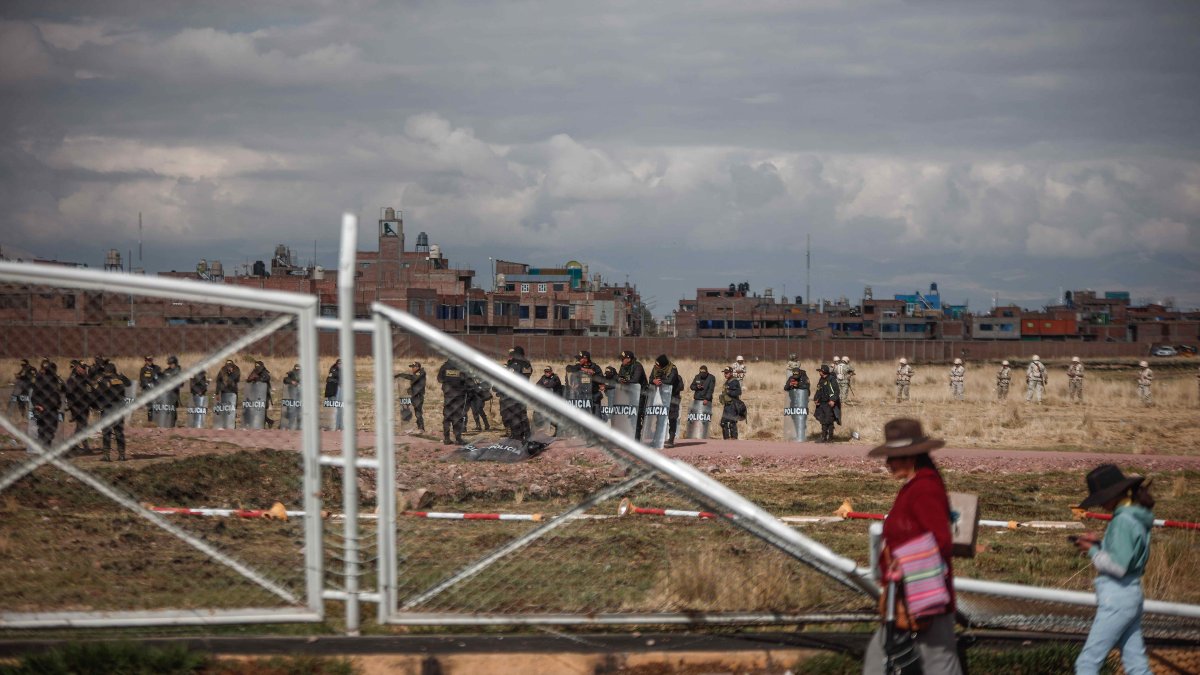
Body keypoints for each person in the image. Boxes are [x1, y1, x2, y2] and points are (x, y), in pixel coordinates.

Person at [863, 418, 961, 675]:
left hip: (923, 598)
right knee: (880, 658)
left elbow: (940, 541)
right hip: (906, 595)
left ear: (909, 457)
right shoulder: (917, 486)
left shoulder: (924, 489)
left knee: (938, 664)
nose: (887, 464)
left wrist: (901, 568)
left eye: (892, 457)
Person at [1072, 464, 1156, 675]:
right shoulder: (1136, 518)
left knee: (1087, 664)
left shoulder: (1122, 521)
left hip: (1117, 598)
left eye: (1101, 498)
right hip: (1132, 594)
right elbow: (1126, 557)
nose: (1100, 504)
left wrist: (1092, 550)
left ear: (1114, 495)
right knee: (1137, 666)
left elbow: (1118, 567)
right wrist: (1100, 545)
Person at [95, 362, 131, 461]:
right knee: (119, 432)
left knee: (106, 432)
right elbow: (129, 383)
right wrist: (121, 376)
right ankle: (122, 455)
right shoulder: (120, 379)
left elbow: (97, 393)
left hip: (107, 409)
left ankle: (106, 455)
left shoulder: (103, 380)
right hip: (119, 409)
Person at [649, 354, 684, 447]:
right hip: (660, 396)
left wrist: (659, 380)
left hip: (673, 396)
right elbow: (650, 379)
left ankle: (671, 440)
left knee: (672, 418)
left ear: (663, 365)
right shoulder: (655, 368)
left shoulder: (672, 369)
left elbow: (670, 381)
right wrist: (653, 381)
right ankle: (657, 438)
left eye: (658, 365)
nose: (656, 366)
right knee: (659, 416)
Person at [498, 346, 533, 439]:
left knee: (515, 414)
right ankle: (527, 434)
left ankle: (517, 436)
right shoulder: (527, 364)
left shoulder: (515, 364)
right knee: (522, 414)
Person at [31, 360, 63, 449]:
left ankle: (46, 448)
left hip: (53, 409)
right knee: (43, 430)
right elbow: (34, 395)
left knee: (51, 430)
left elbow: (61, 391)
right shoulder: (40, 379)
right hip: (43, 409)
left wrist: (58, 403)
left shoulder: (55, 380)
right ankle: (43, 449)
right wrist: (37, 405)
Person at [64, 360, 94, 454]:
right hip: (76, 406)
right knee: (82, 425)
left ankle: (74, 445)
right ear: (77, 368)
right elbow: (68, 392)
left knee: (82, 426)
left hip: (84, 405)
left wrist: (85, 375)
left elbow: (92, 384)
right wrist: (71, 406)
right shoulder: (72, 378)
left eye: (84, 368)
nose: (83, 369)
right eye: (82, 368)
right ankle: (84, 447)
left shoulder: (83, 377)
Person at [437, 358, 470, 445]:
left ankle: (447, 439)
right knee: (457, 417)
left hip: (448, 396)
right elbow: (466, 381)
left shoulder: (444, 367)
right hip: (459, 396)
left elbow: (439, 379)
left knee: (447, 417)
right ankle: (458, 439)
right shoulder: (461, 367)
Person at [617, 350, 649, 437]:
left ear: (628, 359)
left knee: (637, 416)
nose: (621, 361)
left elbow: (635, 380)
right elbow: (619, 377)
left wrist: (625, 382)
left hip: (640, 395)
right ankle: (631, 434)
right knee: (630, 416)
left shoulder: (637, 366)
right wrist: (620, 380)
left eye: (623, 359)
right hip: (629, 394)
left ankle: (637, 438)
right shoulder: (623, 366)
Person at [565, 350, 604, 418]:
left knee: (597, 418)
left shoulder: (595, 367)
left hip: (593, 396)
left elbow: (601, 379)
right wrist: (583, 369)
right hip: (581, 397)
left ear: (586, 359)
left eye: (580, 358)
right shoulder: (578, 367)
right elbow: (568, 368)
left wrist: (593, 375)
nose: (578, 360)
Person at [395, 362, 426, 434]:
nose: (412, 369)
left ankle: (421, 428)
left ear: (417, 367)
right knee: (412, 411)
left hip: (418, 396)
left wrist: (401, 375)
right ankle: (414, 428)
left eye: (413, 367)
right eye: (411, 367)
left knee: (418, 412)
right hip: (414, 396)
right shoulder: (417, 374)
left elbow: (413, 378)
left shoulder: (421, 373)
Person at [813, 364, 840, 442]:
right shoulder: (821, 379)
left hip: (829, 403)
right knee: (823, 420)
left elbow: (837, 391)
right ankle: (823, 437)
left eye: (820, 371)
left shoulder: (831, 379)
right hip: (822, 403)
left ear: (824, 371)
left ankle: (830, 438)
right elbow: (818, 390)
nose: (819, 372)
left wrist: (833, 400)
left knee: (829, 420)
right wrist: (816, 399)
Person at [246, 360, 275, 428]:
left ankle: (265, 423)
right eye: (256, 366)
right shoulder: (254, 372)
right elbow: (249, 379)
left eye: (258, 366)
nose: (257, 367)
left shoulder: (265, 372)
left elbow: (265, 379)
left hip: (264, 394)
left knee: (261, 409)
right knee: (257, 409)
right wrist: (251, 378)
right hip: (256, 393)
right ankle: (269, 422)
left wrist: (256, 378)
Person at [718, 367, 743, 440]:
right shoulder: (727, 381)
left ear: (731, 373)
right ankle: (727, 439)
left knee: (732, 422)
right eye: (724, 373)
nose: (725, 374)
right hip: (727, 405)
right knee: (723, 422)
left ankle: (734, 439)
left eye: (726, 373)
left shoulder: (734, 381)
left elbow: (739, 392)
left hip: (733, 405)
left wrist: (729, 392)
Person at [138, 356, 162, 421]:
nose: (150, 362)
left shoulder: (157, 368)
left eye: (151, 360)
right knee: (150, 406)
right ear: (145, 361)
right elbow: (141, 379)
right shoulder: (143, 369)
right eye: (148, 360)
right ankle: (150, 420)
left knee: (157, 405)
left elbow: (161, 378)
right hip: (147, 390)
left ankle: (158, 419)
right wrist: (147, 384)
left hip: (156, 389)